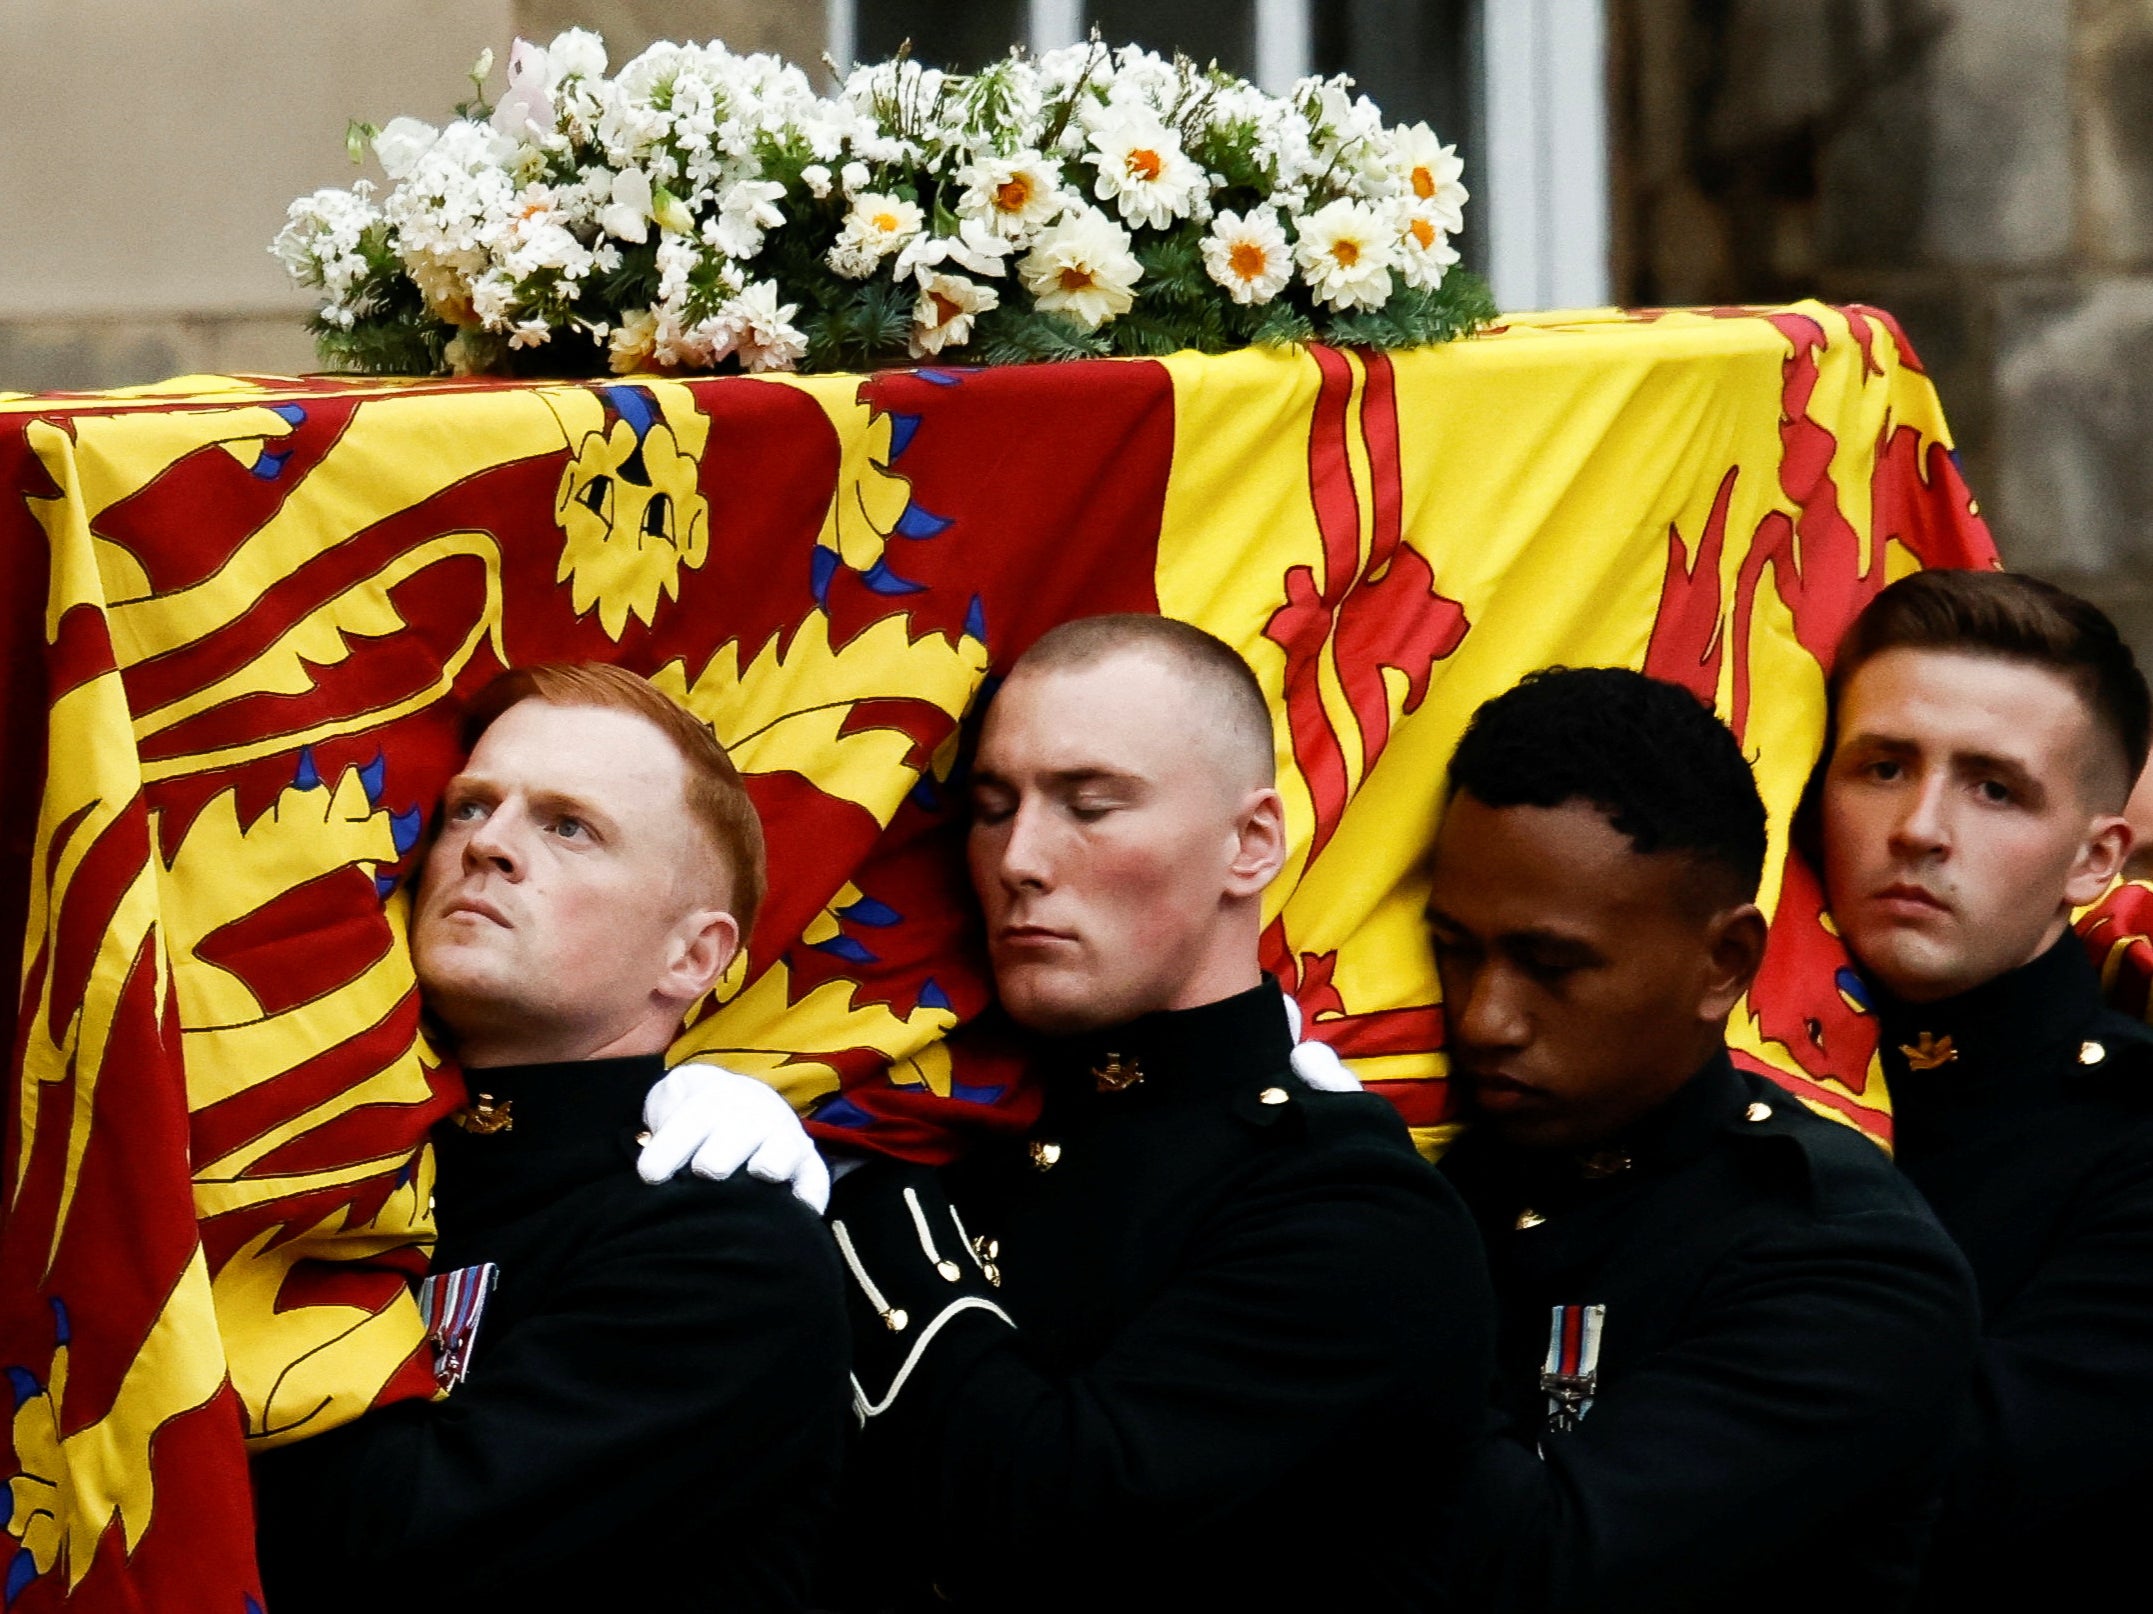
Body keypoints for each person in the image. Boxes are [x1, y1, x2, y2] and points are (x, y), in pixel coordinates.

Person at [819, 615, 1493, 1613]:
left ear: (1249, 843)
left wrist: (860, 1201)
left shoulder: (1351, 1208)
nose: (1018, 859)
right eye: (992, 808)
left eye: (1090, 806)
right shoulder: (968, 1134)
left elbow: (1054, 1513)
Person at [251, 662, 850, 1612]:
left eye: (568, 826)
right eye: (466, 808)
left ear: (693, 955)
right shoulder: (344, 1154)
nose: (488, 844)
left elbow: (389, 1559)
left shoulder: (729, 1250)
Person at [1430, 666, 1978, 1613]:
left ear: (1723, 963)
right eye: (1453, 949)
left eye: (1550, 965)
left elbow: (1536, 1575)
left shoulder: (1849, 1265)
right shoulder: (1461, 1170)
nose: (1484, 1019)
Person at [1816, 568, 2153, 1606]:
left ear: (2092, 861)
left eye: (1992, 788)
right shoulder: (1727, 1079)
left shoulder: (2127, 1137)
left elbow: (1971, 1492)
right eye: (1879, 767)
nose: (1918, 827)